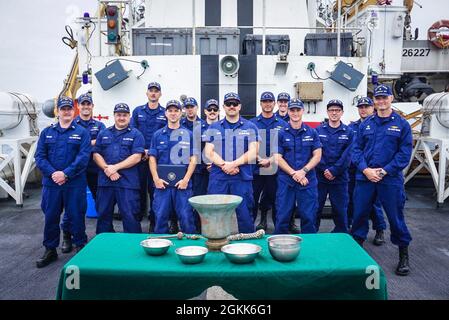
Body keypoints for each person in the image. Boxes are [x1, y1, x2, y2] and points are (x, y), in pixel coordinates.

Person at [351, 85, 413, 276]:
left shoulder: (402, 125)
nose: (381, 101)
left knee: (395, 218)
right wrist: (366, 169)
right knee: (360, 215)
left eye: (384, 98)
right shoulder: (366, 124)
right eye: (378, 98)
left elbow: (404, 154)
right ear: (375, 101)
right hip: (365, 178)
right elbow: (356, 150)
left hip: (390, 180)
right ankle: (356, 253)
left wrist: (385, 171)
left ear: (391, 98)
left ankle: (403, 255)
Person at [34, 96, 91, 268]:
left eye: (69, 109)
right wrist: (54, 174)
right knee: (51, 217)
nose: (66, 112)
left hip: (74, 183)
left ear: (74, 111)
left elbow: (83, 158)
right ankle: (50, 249)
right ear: (57, 111)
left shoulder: (82, 133)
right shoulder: (47, 132)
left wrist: (65, 174)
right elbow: (40, 157)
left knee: (76, 216)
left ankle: (80, 247)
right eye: (63, 109)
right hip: (52, 184)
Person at [204, 92, 259, 233]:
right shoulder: (214, 127)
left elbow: (253, 152)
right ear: (223, 107)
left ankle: (247, 246)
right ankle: (215, 246)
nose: (232, 106)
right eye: (228, 104)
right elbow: (208, 152)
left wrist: (233, 164)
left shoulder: (250, 127)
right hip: (219, 178)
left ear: (240, 106)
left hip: (242, 177)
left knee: (245, 214)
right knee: (215, 213)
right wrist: (224, 165)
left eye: (235, 104)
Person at [60, 92, 106, 254]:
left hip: (94, 169)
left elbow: (101, 143)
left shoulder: (99, 126)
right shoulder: (71, 124)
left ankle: (103, 236)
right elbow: (69, 144)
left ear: (92, 106)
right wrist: (89, 143)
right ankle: (67, 234)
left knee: (101, 202)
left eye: (88, 104)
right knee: (73, 205)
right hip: (76, 171)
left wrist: (83, 143)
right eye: (83, 104)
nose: (86, 107)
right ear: (78, 106)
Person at [93, 103, 144, 234]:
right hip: (106, 183)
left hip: (127, 183)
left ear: (129, 116)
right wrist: (108, 170)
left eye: (124, 115)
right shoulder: (103, 133)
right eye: (119, 115)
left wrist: (115, 168)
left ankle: (132, 248)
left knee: (130, 216)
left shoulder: (136, 134)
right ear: (114, 115)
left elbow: (137, 157)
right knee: (103, 216)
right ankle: (106, 247)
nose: (121, 118)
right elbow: (96, 154)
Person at [273, 98, 322, 234]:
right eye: (292, 110)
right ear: (288, 111)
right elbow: (277, 157)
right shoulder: (281, 133)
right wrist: (295, 173)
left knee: (308, 217)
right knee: (282, 217)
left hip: (308, 181)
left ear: (302, 111)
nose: (295, 113)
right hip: (286, 181)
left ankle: (309, 248)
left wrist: (303, 171)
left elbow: (317, 155)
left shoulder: (312, 133)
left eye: (297, 110)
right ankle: (279, 249)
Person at [149, 100, 197, 233]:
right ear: (165, 113)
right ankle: (160, 246)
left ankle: (189, 248)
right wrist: (156, 179)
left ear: (181, 113)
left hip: (182, 185)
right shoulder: (158, 135)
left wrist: (186, 179)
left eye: (176, 110)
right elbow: (152, 158)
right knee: (160, 217)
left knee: (186, 217)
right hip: (162, 185)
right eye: (170, 110)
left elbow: (193, 159)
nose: (173, 113)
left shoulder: (189, 135)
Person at [250, 91, 290, 232]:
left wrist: (271, 160)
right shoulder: (252, 124)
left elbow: (286, 147)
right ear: (261, 103)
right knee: (252, 201)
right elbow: (247, 146)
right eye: (264, 101)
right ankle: (249, 231)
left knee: (277, 202)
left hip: (275, 171)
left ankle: (279, 232)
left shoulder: (283, 124)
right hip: (256, 170)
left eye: (270, 101)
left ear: (274, 104)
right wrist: (257, 158)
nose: (267, 104)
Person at [348, 97, 386, 245]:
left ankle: (379, 229)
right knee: (355, 201)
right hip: (354, 170)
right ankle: (356, 230)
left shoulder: (378, 125)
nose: (363, 109)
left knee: (374, 203)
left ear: (373, 108)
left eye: (366, 106)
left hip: (371, 170)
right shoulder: (352, 127)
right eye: (361, 107)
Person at [130, 82, 168, 232]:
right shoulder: (137, 111)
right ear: (147, 93)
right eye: (151, 91)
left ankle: (154, 222)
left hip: (156, 159)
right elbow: (133, 132)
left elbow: (166, 133)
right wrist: (142, 151)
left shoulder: (164, 112)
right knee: (137, 190)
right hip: (139, 158)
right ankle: (136, 223)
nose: (153, 93)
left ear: (160, 94)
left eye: (156, 91)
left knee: (155, 191)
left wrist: (150, 152)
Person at [315, 99, 353, 233]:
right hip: (320, 177)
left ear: (342, 112)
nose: (334, 113)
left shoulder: (349, 132)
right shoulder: (318, 131)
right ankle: (313, 236)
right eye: (331, 110)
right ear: (327, 112)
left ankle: (341, 235)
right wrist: (324, 169)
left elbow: (348, 156)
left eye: (337, 110)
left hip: (340, 178)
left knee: (340, 209)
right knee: (315, 208)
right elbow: (316, 153)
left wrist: (334, 170)